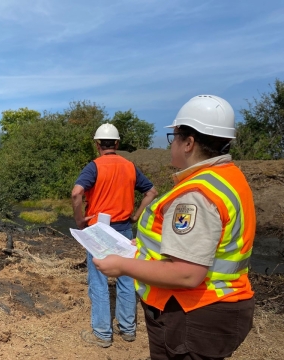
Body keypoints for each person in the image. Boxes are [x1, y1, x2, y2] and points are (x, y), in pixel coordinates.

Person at [94, 95, 256, 360]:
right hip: (216, 308)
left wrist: (122, 266)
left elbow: (186, 274)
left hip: (193, 313)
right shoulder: (228, 177)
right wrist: (142, 248)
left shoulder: (196, 195)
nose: (172, 144)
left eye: (175, 137)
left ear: (189, 143)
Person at [72, 123, 158, 348]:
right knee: (127, 279)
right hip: (124, 229)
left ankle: (102, 333)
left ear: (97, 144)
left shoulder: (94, 167)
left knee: (98, 282)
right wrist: (136, 216)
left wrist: (80, 220)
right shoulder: (129, 166)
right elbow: (151, 191)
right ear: (117, 144)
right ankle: (128, 329)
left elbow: (77, 193)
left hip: (99, 230)